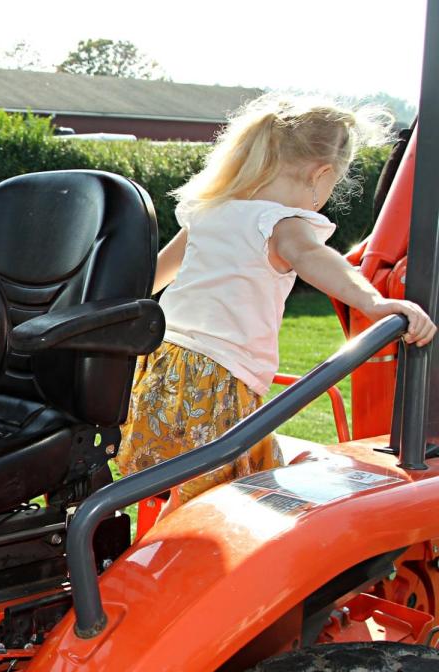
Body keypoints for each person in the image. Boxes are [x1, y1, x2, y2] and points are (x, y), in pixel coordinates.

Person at [117, 93, 436, 510]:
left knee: (186, 489)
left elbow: (153, 275)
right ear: (320, 174)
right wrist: (374, 302)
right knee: (232, 500)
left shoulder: (212, 211)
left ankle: (153, 562)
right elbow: (316, 258)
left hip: (160, 371)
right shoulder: (280, 222)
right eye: (332, 184)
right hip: (217, 380)